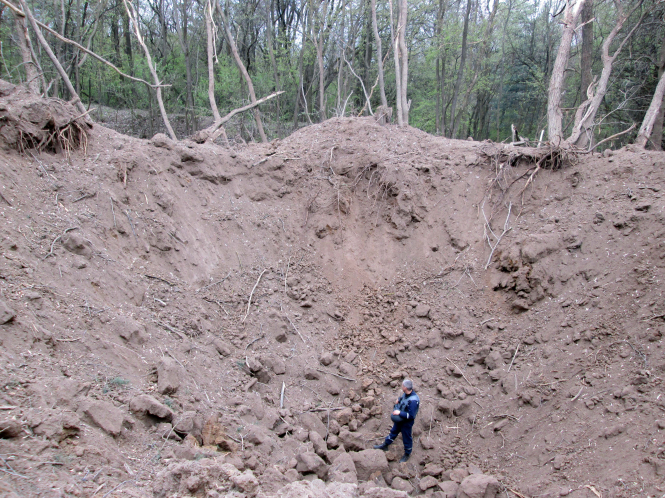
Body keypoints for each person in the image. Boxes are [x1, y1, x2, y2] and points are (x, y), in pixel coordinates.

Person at [373, 379, 420, 462]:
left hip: (406, 422)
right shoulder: (406, 394)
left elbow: (411, 415)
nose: (401, 386)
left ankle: (407, 453)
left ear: (405, 388)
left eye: (402, 385)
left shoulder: (413, 401)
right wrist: (399, 400)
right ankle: (385, 445)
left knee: (406, 437)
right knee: (393, 431)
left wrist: (399, 413)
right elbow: (403, 398)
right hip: (400, 420)